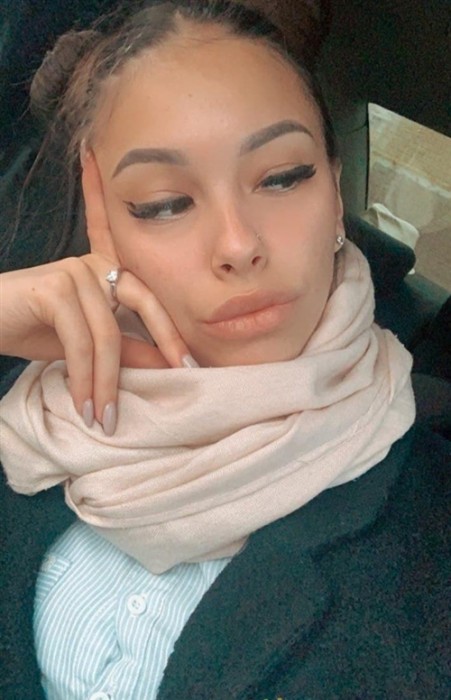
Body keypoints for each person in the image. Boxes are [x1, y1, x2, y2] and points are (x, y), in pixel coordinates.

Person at [0, 1, 449, 698]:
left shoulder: (430, 521)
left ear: (336, 194)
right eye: (164, 204)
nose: (238, 244)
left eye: (282, 176)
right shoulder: (30, 413)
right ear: (102, 217)